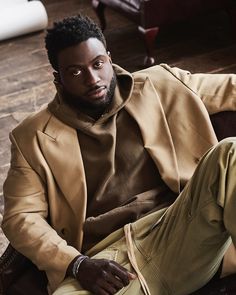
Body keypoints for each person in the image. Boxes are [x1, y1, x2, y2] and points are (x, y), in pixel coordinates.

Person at [2, 14, 236, 295]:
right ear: (58, 78)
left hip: (184, 225)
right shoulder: (32, 137)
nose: (93, 79)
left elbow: (230, 89)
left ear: (109, 58)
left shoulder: (161, 84)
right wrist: (77, 264)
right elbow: (20, 217)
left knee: (230, 153)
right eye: (76, 72)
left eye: (98, 64)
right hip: (109, 259)